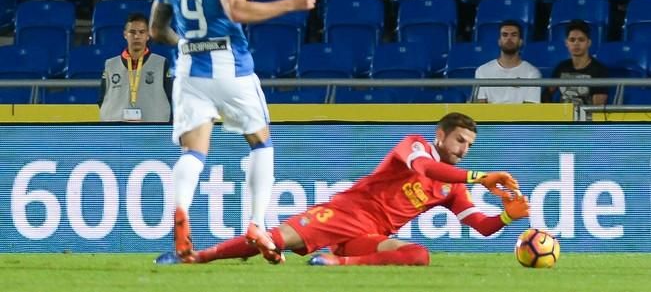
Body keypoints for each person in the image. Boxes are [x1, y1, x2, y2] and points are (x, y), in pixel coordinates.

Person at [148, 0, 316, 263]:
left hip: (189, 67)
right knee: (261, 143)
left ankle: (180, 212)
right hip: (230, 67)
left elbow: (155, 29)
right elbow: (236, 10)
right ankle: (256, 224)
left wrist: (185, 43)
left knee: (193, 152)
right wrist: (293, 3)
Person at [155, 112, 528, 266]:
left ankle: (338, 262)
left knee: (419, 256)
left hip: (372, 235)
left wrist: (507, 217)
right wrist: (480, 177)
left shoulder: (451, 188)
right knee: (272, 240)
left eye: (469, 147)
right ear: (441, 134)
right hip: (348, 212)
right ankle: (195, 258)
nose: (463, 151)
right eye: (460, 141)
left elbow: (480, 225)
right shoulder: (416, 145)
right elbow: (425, 168)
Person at [99, 12, 172, 122]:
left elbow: (171, 98)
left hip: (153, 132)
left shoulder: (161, 63)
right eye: (132, 32)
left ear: (148, 35)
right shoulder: (110, 65)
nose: (137, 36)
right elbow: (102, 99)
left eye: (141, 32)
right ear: (125, 34)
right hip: (118, 132)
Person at [543, 19, 608, 105]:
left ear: (589, 43)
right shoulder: (562, 67)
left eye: (581, 40)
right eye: (572, 40)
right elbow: (546, 94)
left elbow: (598, 107)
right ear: (566, 43)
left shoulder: (599, 70)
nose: (576, 43)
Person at [474, 21, 541, 104]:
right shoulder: (482, 71)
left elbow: (530, 109)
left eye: (514, 35)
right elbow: (480, 107)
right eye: (505, 35)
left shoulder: (532, 73)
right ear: (499, 41)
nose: (509, 39)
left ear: (520, 41)